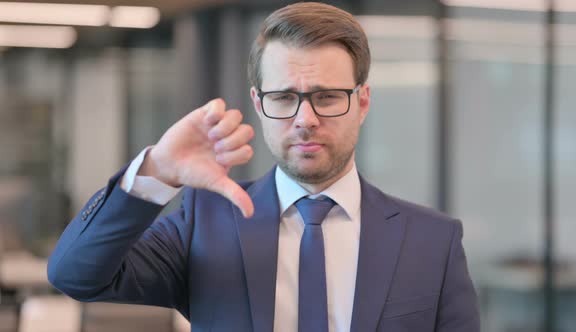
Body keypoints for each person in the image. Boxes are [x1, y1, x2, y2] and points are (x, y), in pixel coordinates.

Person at [47, 2, 480, 332]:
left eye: (327, 97)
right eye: (283, 97)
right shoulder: (207, 223)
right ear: (258, 103)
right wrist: (156, 170)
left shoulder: (433, 242)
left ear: (362, 102)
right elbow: (75, 275)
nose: (305, 119)